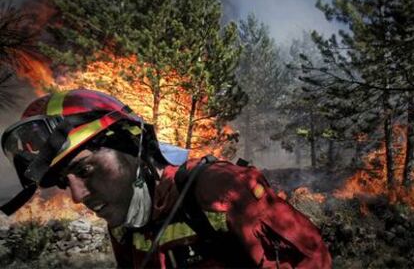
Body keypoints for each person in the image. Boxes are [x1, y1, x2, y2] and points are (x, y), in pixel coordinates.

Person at [1, 89, 332, 268]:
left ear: (133, 146)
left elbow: (312, 258)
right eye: (63, 181)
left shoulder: (222, 191)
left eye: (85, 169)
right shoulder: (122, 221)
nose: (76, 196)